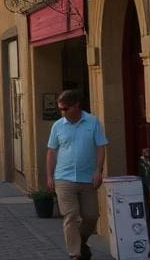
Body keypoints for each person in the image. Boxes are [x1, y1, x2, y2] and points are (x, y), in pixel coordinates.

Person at [46, 89, 108, 260]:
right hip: (63, 178)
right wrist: (49, 176)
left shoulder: (93, 122)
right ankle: (75, 254)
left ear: (76, 106)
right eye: (60, 109)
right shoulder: (58, 125)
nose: (62, 112)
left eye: (66, 109)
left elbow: (100, 147)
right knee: (71, 216)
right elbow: (51, 151)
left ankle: (80, 242)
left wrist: (98, 171)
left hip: (88, 178)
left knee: (91, 216)